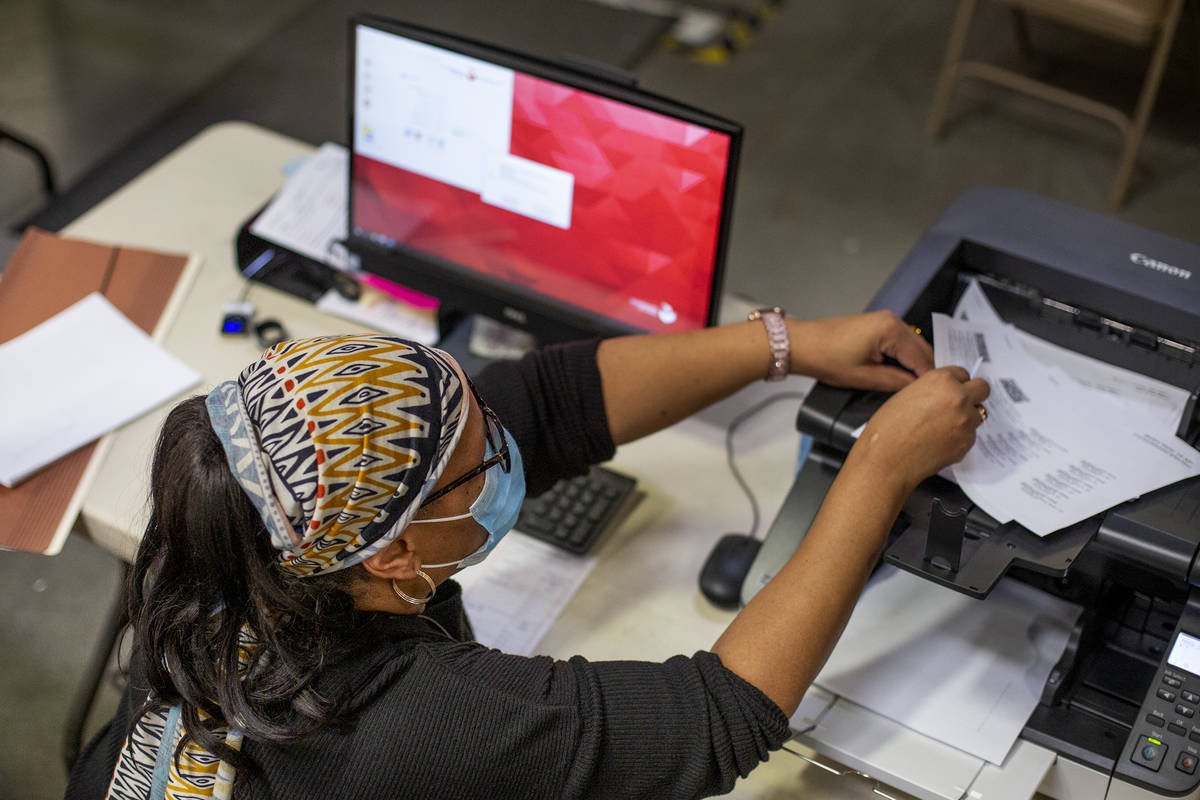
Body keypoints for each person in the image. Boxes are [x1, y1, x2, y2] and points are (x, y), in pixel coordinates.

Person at [67, 309, 988, 800]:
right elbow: (718, 720)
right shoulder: (409, 725)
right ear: (390, 559)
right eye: (481, 460)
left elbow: (551, 398)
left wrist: (784, 345)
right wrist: (877, 470)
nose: (509, 441)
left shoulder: (238, 540)